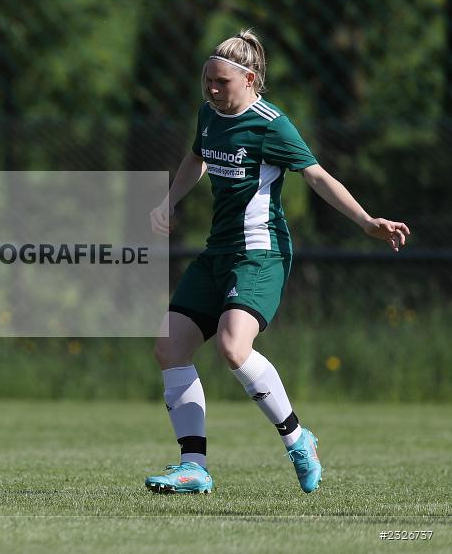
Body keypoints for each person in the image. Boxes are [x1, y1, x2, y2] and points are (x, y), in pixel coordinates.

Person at [145, 30, 409, 494]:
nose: (210, 89)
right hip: (218, 252)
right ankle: (194, 468)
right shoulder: (209, 114)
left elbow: (317, 175)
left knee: (232, 346)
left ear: (249, 79)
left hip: (260, 254)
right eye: (207, 79)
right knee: (169, 345)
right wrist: (169, 201)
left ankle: (297, 439)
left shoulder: (272, 125)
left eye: (221, 82)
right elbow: (196, 158)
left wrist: (367, 221)